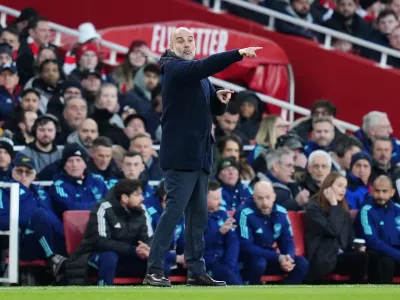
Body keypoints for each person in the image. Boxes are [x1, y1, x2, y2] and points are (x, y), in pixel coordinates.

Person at [143, 26, 262, 287]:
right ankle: (154, 270)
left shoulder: (197, 75)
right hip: (181, 156)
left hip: (201, 156)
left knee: (198, 216)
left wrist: (219, 100)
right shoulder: (173, 68)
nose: (187, 44)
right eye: (181, 40)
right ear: (171, 47)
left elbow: (210, 109)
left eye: (190, 39)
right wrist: (237, 53)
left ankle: (196, 271)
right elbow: (203, 67)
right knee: (173, 212)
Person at [65, 179, 153, 285]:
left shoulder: (141, 209)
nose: (142, 199)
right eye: (137, 195)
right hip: (94, 255)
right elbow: (101, 241)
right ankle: (104, 292)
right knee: (109, 257)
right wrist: (132, 250)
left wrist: (145, 248)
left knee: (157, 258)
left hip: (129, 254)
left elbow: (148, 237)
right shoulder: (103, 208)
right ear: (124, 198)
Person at [235, 181, 308, 285]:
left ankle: (284, 294)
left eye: (268, 197)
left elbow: (288, 241)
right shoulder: (244, 213)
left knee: (301, 263)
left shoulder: (281, 212)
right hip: (250, 260)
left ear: (274, 196)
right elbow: (246, 246)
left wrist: (288, 257)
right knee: (259, 263)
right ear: (254, 198)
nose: (264, 202)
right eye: (260, 198)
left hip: (272, 258)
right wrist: (278, 257)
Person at [304, 172, 372, 283]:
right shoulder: (313, 209)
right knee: (360, 258)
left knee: (370, 256)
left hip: (340, 255)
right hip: (324, 258)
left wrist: (356, 247)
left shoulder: (342, 209)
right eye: (339, 186)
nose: (343, 190)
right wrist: (334, 205)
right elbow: (332, 230)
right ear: (328, 187)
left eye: (345, 187)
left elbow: (349, 235)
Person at [358, 175, 400, 283]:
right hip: (380, 255)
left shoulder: (398, 209)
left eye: (384, 191)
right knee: (386, 263)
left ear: (392, 192)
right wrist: (397, 255)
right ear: (372, 191)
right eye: (377, 191)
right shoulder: (366, 210)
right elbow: (372, 241)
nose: (380, 195)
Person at [204, 180, 242, 285]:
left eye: (220, 197)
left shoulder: (223, 214)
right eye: (216, 199)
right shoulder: (194, 218)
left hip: (225, 261)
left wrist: (229, 264)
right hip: (207, 263)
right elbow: (197, 245)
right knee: (235, 284)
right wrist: (219, 233)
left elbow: (233, 241)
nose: (220, 202)